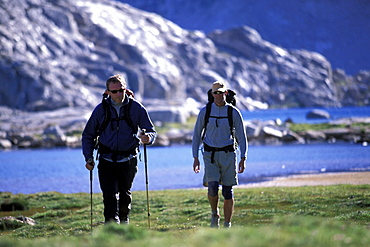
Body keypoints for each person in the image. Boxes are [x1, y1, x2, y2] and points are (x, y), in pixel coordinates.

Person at [82, 74, 156, 224]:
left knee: (125, 194)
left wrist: (148, 138)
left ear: (125, 89)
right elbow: (88, 135)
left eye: (121, 90)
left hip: (128, 160)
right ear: (108, 92)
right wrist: (88, 157)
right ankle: (112, 226)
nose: (119, 94)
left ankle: (124, 222)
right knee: (109, 195)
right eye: (114, 92)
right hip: (106, 159)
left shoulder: (136, 107)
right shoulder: (100, 110)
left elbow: (151, 130)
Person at [192, 81, 248, 228]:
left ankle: (227, 224)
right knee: (212, 187)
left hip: (229, 155)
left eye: (220, 92)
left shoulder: (233, 112)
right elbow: (197, 135)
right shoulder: (205, 111)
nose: (218, 95)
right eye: (215, 93)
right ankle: (214, 213)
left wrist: (243, 158)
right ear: (212, 94)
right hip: (210, 155)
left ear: (226, 93)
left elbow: (242, 137)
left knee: (228, 191)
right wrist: (195, 158)